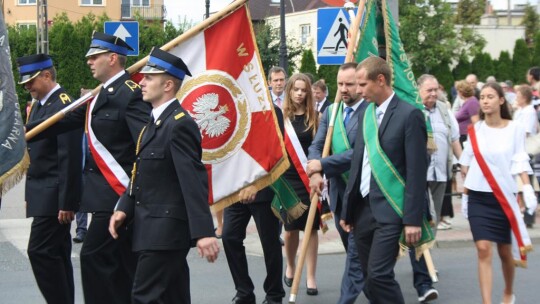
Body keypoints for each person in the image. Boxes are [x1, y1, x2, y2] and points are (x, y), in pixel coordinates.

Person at [26, 32, 151, 303]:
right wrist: (18, 135)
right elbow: (61, 122)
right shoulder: (100, 94)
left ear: (113, 58)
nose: (89, 62)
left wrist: (133, 192)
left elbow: (145, 146)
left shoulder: (130, 95)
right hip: (104, 197)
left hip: (121, 195)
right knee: (121, 267)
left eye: (94, 57)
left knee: (95, 257)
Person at [109, 47, 219, 303]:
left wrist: (204, 232)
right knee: (173, 297)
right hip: (152, 228)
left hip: (165, 232)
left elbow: (193, 180)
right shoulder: (154, 122)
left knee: (143, 297)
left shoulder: (179, 124)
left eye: (149, 78)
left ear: (168, 84)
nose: (141, 82)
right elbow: (142, 173)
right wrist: (124, 206)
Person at [340, 57, 429, 304]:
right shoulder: (366, 114)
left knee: (379, 275)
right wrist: (348, 209)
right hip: (362, 210)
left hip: (392, 208)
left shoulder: (409, 114)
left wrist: (412, 219)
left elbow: (417, 171)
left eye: (362, 84)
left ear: (380, 80)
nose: (358, 90)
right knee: (369, 278)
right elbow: (358, 163)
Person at [459, 82, 535, 304]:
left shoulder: (515, 129)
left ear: (501, 100)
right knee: (483, 249)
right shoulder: (475, 131)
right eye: (482, 97)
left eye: (490, 96)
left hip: (503, 197)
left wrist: (527, 186)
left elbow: (519, 160)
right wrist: (464, 194)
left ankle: (508, 292)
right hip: (478, 197)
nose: (485, 101)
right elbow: (468, 165)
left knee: (504, 251)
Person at [19, 54, 83, 304]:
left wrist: (67, 201)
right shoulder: (40, 103)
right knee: (56, 254)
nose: (28, 87)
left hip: (55, 195)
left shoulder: (63, 104)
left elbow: (69, 156)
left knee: (40, 252)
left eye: (31, 81)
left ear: (47, 75)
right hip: (43, 193)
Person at [307, 62, 366, 304]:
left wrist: (324, 165)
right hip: (339, 195)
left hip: (363, 197)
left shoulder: (370, 112)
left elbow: (360, 153)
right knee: (361, 257)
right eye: (340, 84)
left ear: (360, 85)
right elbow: (317, 146)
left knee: (355, 255)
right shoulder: (332, 113)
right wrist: (315, 171)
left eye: (349, 84)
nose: (344, 89)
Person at [222, 107, 286, 304]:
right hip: (235, 189)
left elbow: (275, 149)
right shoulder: (230, 105)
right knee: (229, 237)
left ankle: (274, 294)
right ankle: (244, 292)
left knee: (270, 244)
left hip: (264, 190)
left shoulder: (270, 109)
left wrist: (255, 185)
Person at [279, 73, 320, 296]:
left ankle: (311, 276)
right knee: (290, 229)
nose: (300, 93)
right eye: (296, 89)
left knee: (311, 228)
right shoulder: (281, 117)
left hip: (308, 178)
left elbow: (321, 147)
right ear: (289, 91)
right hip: (287, 179)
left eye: (303, 90)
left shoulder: (315, 118)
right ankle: (291, 265)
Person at [419, 74, 462, 234]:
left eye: (435, 89)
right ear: (419, 90)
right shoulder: (413, 108)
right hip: (419, 174)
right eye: (429, 90)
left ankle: (429, 246)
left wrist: (463, 165)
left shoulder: (444, 109)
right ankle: (420, 253)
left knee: (435, 217)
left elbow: (454, 138)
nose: (433, 93)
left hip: (440, 173)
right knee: (421, 216)